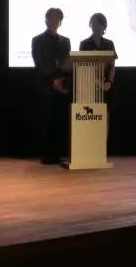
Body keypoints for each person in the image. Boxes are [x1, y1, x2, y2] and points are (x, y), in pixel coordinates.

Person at [31, 8, 72, 164]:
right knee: (47, 121)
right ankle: (47, 155)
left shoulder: (65, 41)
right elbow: (39, 63)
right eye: (51, 18)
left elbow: (68, 63)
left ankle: (58, 154)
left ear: (60, 22)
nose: (54, 21)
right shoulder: (37, 40)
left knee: (60, 121)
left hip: (62, 87)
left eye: (57, 19)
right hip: (45, 87)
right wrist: (52, 79)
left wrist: (61, 79)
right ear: (46, 20)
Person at [79, 13, 118, 102]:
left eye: (99, 24)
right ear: (90, 25)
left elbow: (112, 66)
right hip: (89, 85)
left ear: (104, 26)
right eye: (94, 23)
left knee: (107, 107)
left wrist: (109, 82)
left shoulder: (109, 44)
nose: (96, 26)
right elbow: (83, 67)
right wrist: (98, 82)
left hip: (106, 85)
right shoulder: (84, 44)